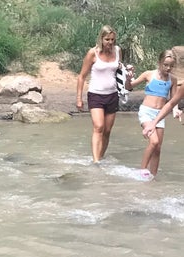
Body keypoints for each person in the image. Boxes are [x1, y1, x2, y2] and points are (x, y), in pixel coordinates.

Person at [128, 49, 180, 180]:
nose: (168, 68)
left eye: (171, 66)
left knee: (158, 148)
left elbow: (173, 101)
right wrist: (128, 79)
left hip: (160, 115)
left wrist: (177, 111)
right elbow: (129, 87)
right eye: (165, 65)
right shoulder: (149, 75)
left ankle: (153, 176)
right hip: (146, 111)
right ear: (159, 62)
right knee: (154, 141)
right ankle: (143, 169)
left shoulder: (173, 80)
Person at [76, 25, 122, 164]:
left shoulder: (118, 51)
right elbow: (82, 76)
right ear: (101, 39)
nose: (110, 42)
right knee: (99, 126)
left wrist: (127, 72)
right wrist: (79, 98)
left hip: (112, 94)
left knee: (107, 130)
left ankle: (100, 157)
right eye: (107, 39)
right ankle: (96, 161)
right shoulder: (93, 53)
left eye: (113, 39)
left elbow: (118, 69)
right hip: (96, 94)